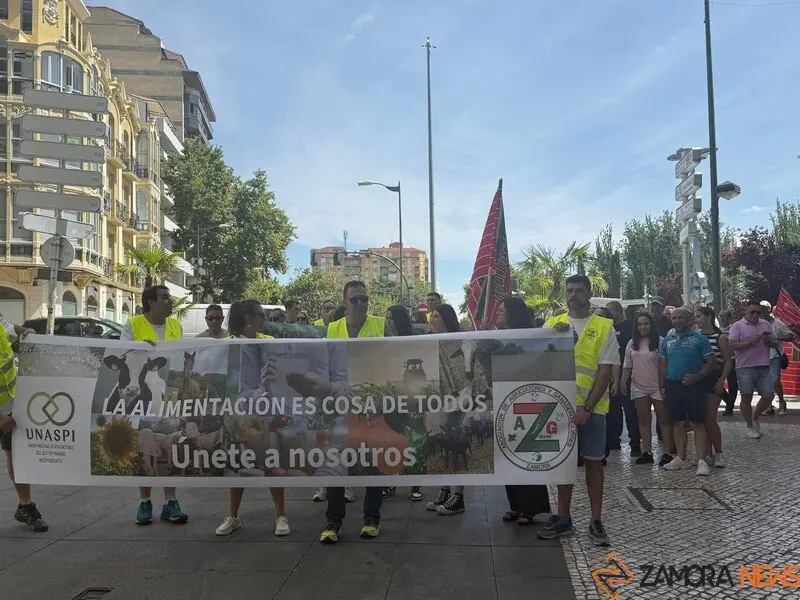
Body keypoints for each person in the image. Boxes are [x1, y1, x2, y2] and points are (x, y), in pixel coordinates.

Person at [537, 276, 616, 546]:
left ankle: (596, 520)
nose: (573, 295)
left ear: (589, 293)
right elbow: (541, 366)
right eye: (569, 290)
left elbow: (605, 372)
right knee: (563, 465)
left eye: (579, 290)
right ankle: (563, 518)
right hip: (558, 409)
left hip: (592, 410)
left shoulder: (605, 326)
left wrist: (587, 407)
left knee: (594, 463)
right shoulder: (550, 325)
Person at [319, 281, 390, 544]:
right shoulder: (332, 329)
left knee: (372, 462)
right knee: (336, 464)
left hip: (372, 406)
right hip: (340, 407)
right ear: (345, 302)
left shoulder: (382, 325)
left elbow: (395, 356)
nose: (360, 304)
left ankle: (371, 518)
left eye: (364, 299)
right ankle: (333, 521)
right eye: (354, 300)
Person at [474, 297, 553, 526]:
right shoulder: (495, 340)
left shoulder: (529, 338)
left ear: (513, 313)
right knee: (508, 454)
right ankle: (517, 505)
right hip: (502, 401)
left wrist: (561, 330)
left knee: (525, 454)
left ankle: (532, 507)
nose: (497, 313)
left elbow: (564, 342)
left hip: (525, 403)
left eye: (501, 310)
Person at [214, 300, 290, 537]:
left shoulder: (268, 343)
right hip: (239, 415)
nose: (264, 320)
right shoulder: (227, 346)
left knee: (271, 461)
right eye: (261, 315)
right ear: (249, 318)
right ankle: (233, 515)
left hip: (266, 413)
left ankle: (281, 515)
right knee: (236, 465)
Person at [121, 285, 189, 526]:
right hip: (141, 396)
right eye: (165, 298)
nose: (170, 302)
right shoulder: (133, 324)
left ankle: (171, 501)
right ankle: (145, 502)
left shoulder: (175, 326)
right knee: (145, 444)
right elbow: (123, 354)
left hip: (168, 394)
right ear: (151, 302)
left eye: (169, 298)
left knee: (169, 443)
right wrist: (140, 348)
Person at [0, 316, 47, 532]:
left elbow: (9, 328)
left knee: (16, 454)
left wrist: (24, 331)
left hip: (8, 402)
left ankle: (25, 506)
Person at [424, 304, 472, 516]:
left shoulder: (459, 342)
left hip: (458, 398)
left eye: (435, 316)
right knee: (441, 440)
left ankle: (458, 495)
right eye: (431, 316)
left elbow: (466, 372)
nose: (432, 320)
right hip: (437, 399)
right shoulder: (427, 341)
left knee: (455, 441)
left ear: (446, 318)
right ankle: (444, 490)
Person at [659, 307, 715, 476]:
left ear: (690, 319)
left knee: (697, 422)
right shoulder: (667, 340)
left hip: (693, 386)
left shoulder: (699, 339)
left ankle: (701, 460)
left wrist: (697, 377)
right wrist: (662, 385)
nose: (676, 321)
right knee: (677, 422)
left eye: (680, 318)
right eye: (674, 318)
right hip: (672, 385)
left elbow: (711, 362)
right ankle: (681, 458)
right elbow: (663, 365)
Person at [621, 312, 673, 466]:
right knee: (644, 421)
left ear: (651, 325)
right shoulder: (632, 343)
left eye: (646, 323)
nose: (643, 327)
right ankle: (647, 452)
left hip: (657, 387)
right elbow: (627, 364)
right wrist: (623, 381)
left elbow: (666, 365)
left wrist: (664, 385)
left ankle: (667, 452)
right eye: (640, 324)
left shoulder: (661, 342)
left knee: (664, 421)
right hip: (638, 387)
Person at [728, 300, 780, 439]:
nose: (755, 314)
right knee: (746, 397)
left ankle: (755, 417)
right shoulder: (737, 326)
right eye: (752, 311)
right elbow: (732, 346)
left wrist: (769, 342)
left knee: (769, 395)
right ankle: (749, 426)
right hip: (744, 367)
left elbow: (776, 342)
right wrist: (751, 343)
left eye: (758, 312)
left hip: (763, 365)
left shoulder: (766, 324)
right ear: (745, 311)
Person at [384, 304, 415, 500]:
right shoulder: (383, 341)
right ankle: (392, 480)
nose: (387, 322)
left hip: (410, 397)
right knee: (392, 439)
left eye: (390, 318)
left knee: (410, 438)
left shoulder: (414, 340)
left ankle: (415, 483)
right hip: (390, 398)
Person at [695, 306, 731, 468]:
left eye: (699, 316)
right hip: (697, 380)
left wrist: (721, 381)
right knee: (700, 420)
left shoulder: (720, 337)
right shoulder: (695, 336)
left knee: (710, 419)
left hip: (713, 380)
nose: (696, 320)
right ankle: (707, 453)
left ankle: (719, 452)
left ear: (709, 316)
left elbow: (728, 361)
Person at [605, 301, 641, 458]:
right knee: (613, 410)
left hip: (627, 374)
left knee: (630, 410)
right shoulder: (607, 329)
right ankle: (613, 440)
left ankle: (635, 443)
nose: (609, 315)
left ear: (619, 311)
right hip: (610, 373)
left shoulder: (629, 327)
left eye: (610, 312)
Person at [759, 300, 796, 415]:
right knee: (765, 382)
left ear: (769, 310)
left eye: (764, 308)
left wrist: (777, 339)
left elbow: (791, 336)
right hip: (760, 356)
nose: (761, 311)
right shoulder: (756, 324)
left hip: (775, 355)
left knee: (775, 380)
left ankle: (781, 401)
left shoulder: (777, 323)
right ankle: (769, 406)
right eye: (760, 309)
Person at [718, 310, 738, 415]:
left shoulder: (734, 329)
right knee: (716, 383)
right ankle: (729, 402)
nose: (722, 318)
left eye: (724, 316)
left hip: (733, 359)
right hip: (719, 361)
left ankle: (729, 408)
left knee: (732, 384)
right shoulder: (717, 330)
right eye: (720, 316)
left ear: (729, 318)